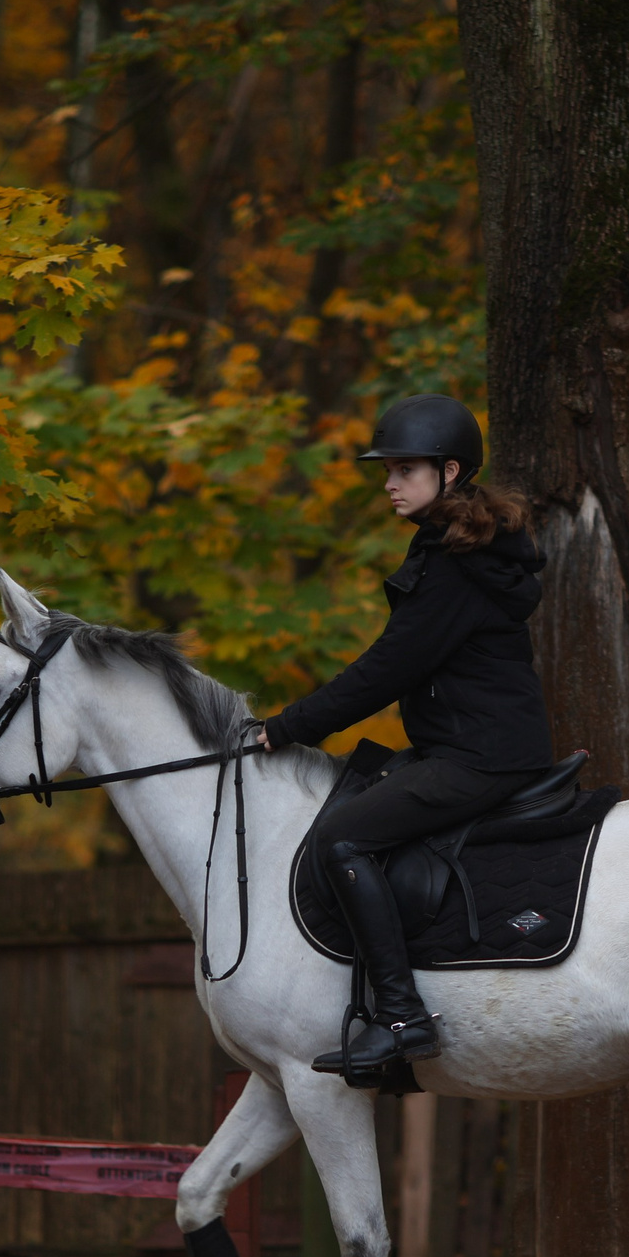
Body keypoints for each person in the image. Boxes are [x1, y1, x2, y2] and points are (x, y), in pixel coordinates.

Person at [254, 394, 555, 1077]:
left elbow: (386, 668)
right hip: (471, 747)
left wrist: (286, 727)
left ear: (450, 472)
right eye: (386, 468)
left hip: (482, 759)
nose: (389, 482)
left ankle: (401, 1015)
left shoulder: (455, 564)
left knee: (341, 836)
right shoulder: (459, 549)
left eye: (404, 469)